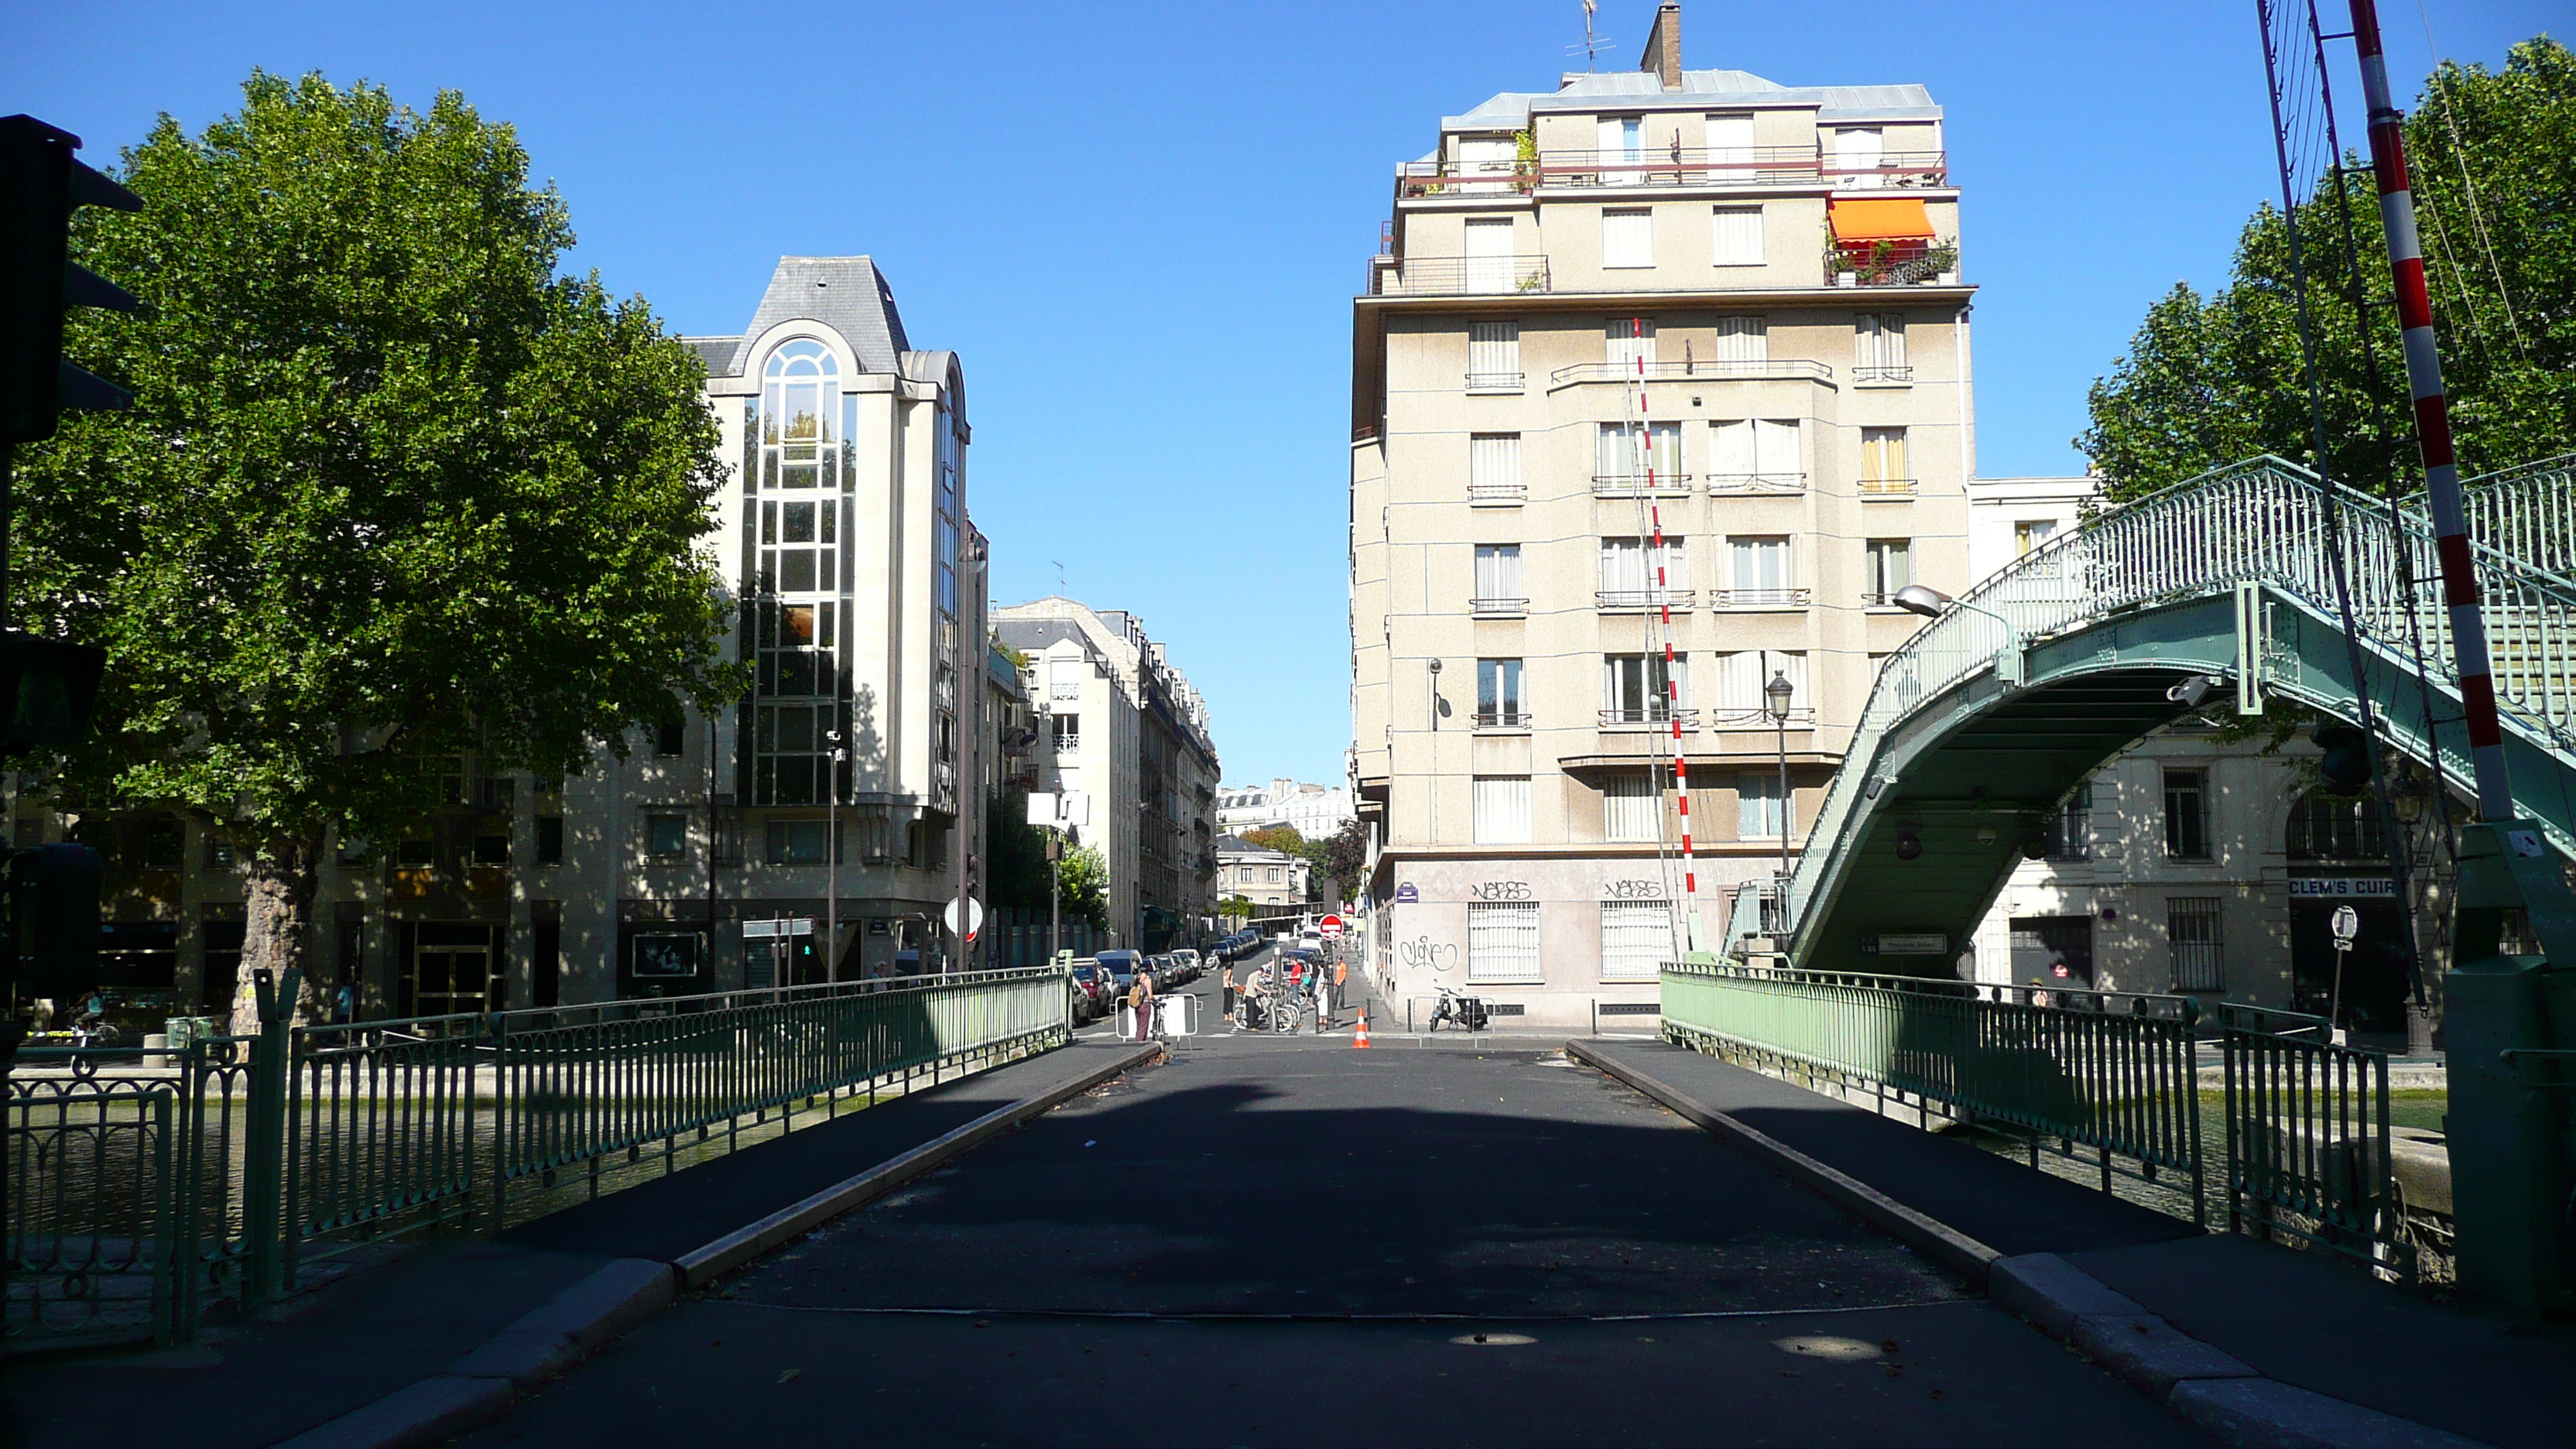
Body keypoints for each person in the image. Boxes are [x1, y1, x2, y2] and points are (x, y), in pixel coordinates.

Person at [1129, 968, 1157, 1042]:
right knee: (1144, 1025)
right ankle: (1139, 1042)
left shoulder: (1137, 980)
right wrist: (1155, 1000)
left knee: (1139, 1025)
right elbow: (1150, 996)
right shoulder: (1147, 980)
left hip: (1137, 1004)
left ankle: (1137, 1039)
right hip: (1145, 1004)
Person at [1221, 964, 1238, 1031]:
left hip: (1225, 988)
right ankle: (1230, 1015)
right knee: (1230, 1001)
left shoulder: (1225, 972)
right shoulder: (1230, 971)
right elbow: (1228, 978)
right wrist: (1231, 984)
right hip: (1229, 988)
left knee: (1226, 1001)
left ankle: (1226, 1015)